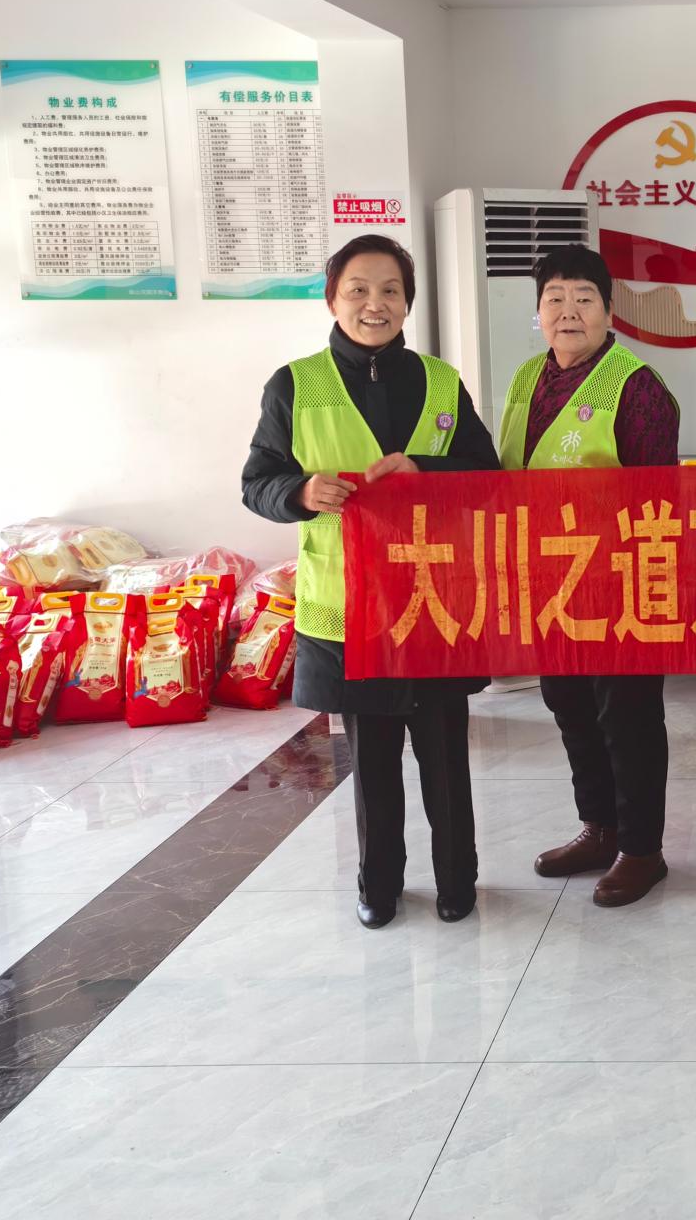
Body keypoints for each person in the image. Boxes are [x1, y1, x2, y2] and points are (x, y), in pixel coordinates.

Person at [241, 234, 498, 929]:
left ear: (408, 302)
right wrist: (299, 492)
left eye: (390, 290)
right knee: (373, 764)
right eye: (358, 289)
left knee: (446, 758)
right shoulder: (295, 384)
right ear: (333, 299)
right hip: (349, 608)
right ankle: (378, 885)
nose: (374, 304)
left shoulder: (440, 381)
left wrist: (425, 470)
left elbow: (486, 474)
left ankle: (458, 882)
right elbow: (257, 482)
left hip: (436, 602)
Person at [502, 244, 681, 907]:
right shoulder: (527, 377)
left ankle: (641, 849)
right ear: (538, 312)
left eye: (583, 298)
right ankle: (599, 828)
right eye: (554, 298)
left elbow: (659, 502)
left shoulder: (638, 387)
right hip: (549, 581)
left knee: (627, 716)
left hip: (619, 583)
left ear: (609, 310)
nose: (568, 311)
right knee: (569, 705)